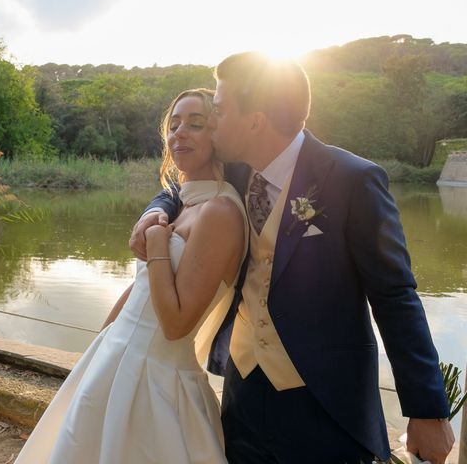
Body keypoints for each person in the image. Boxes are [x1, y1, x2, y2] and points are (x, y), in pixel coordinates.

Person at [130, 53, 454, 464]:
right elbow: (179, 190)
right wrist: (151, 213)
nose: (211, 122)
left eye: (219, 110)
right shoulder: (236, 170)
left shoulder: (352, 180)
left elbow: (395, 296)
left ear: (255, 121)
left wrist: (426, 407)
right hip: (242, 394)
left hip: (327, 406)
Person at [14, 88, 248, 464]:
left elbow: (175, 324)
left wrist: (157, 242)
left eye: (196, 124)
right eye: (173, 126)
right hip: (115, 358)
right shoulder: (183, 204)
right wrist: (99, 346)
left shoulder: (220, 212)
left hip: (155, 377)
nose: (179, 133)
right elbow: (141, 289)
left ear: (220, 134)